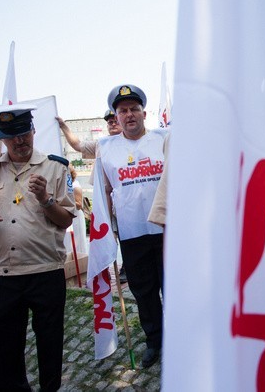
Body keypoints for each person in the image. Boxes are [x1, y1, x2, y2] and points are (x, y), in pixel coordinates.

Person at [0, 104, 76, 391]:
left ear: (33, 130)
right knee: (4, 352)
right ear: (1, 137)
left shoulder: (55, 167)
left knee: (50, 343)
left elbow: (65, 221)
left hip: (45, 271)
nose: (19, 141)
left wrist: (45, 198)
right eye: (11, 135)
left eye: (24, 133)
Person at [98, 84, 167, 368]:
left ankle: (182, 338)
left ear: (144, 113)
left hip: (167, 231)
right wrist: (105, 234)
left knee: (174, 288)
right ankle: (155, 341)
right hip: (132, 234)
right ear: (116, 116)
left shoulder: (165, 139)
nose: (129, 115)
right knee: (144, 292)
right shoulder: (106, 149)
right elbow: (102, 195)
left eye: (134, 109)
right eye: (123, 110)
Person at [56, 112, 128, 283]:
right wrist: (63, 126)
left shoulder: (132, 142)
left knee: (127, 236)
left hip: (126, 199)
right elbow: (77, 145)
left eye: (114, 120)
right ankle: (110, 268)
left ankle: (128, 267)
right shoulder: (101, 144)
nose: (111, 124)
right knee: (109, 235)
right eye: (109, 122)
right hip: (106, 200)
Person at [68, 165, 88, 254]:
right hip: (69, 217)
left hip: (76, 219)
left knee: (78, 244)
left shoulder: (75, 186)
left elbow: (79, 205)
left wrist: (65, 200)